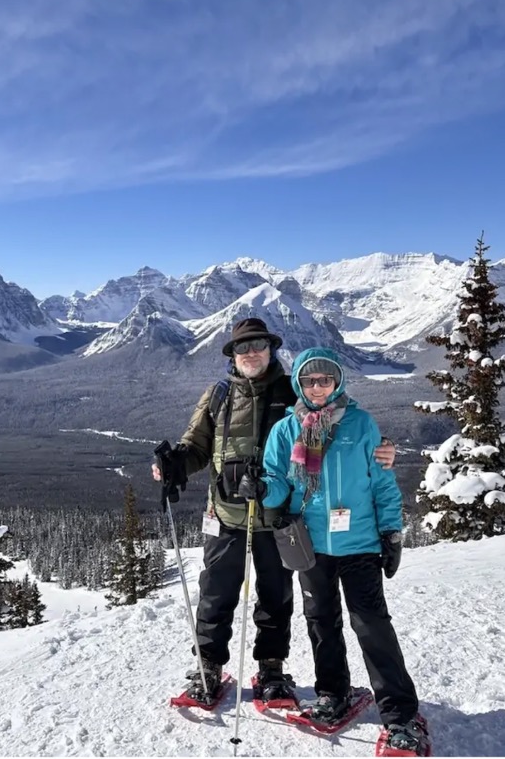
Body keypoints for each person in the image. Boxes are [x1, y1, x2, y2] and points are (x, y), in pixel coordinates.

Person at [153, 319, 396, 705]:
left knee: (275, 595)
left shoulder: (293, 391)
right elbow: (196, 444)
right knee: (215, 592)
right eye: (242, 347)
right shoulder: (217, 395)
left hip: (278, 515)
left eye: (259, 345)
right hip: (225, 513)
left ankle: (271, 666)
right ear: (232, 355)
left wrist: (381, 448)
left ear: (271, 350)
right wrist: (174, 464)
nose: (251, 353)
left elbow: (339, 424)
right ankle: (208, 667)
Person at [261, 347, 429, 754]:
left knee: (371, 625)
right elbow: (278, 480)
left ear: (338, 382)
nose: (317, 388)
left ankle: (401, 715)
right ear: (299, 383)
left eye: (325, 380)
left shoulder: (360, 423)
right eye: (309, 381)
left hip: (359, 543)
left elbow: (381, 483)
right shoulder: (286, 430)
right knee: (321, 622)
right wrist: (262, 489)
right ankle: (332, 693)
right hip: (312, 544)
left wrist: (391, 531)